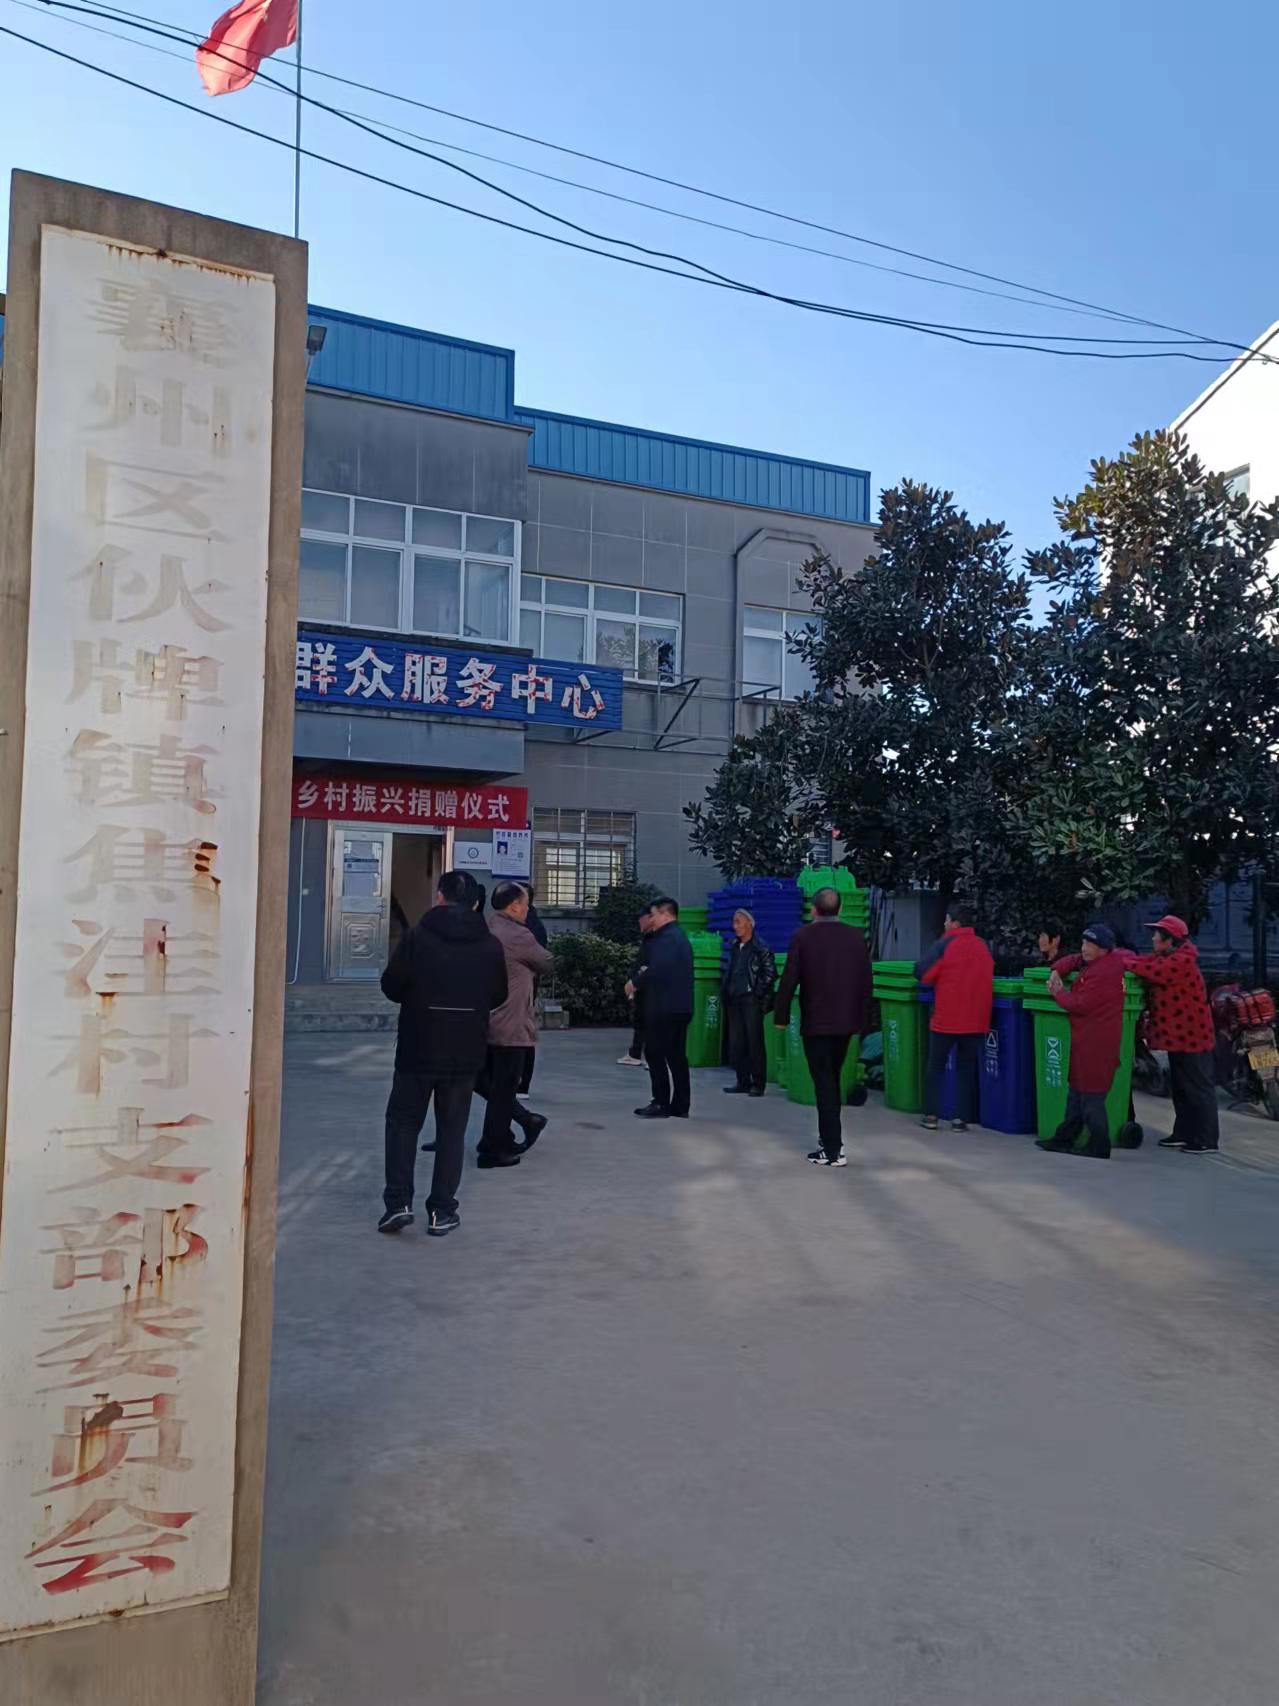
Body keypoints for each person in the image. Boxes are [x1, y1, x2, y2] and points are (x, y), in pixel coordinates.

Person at [378, 869, 508, 1237]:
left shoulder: (417, 938)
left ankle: (398, 1204)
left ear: (439, 896)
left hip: (418, 1046)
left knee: (403, 1124)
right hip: (465, 1050)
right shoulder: (490, 945)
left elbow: (391, 986)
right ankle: (442, 1211)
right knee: (452, 1130)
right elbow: (498, 994)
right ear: (477, 903)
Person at [774, 887, 871, 1165]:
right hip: (846, 1023)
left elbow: (789, 980)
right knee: (832, 1078)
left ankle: (832, 1149)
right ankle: (829, 1140)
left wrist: (781, 1016)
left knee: (824, 1083)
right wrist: (863, 1020)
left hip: (816, 1023)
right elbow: (866, 981)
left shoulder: (803, 937)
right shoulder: (855, 937)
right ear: (840, 909)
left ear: (813, 910)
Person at [475, 881, 554, 1169]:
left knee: (486, 1082)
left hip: (485, 1021)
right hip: (511, 1024)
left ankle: (502, 1134)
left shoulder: (486, 928)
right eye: (526, 904)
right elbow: (548, 964)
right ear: (515, 906)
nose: (528, 910)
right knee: (504, 1089)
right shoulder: (519, 935)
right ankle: (495, 1149)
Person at [1127, 914, 1219, 1154]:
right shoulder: (1167, 958)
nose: (1152, 938)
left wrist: (1123, 961)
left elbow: (1151, 969)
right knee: (1181, 1087)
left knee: (1198, 1088)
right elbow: (1147, 963)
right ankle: (1184, 1133)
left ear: (1169, 940)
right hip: (1180, 1038)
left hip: (1193, 1037)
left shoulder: (1181, 962)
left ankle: (1207, 1139)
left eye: (1157, 935)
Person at [1036, 923, 1126, 1161]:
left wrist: (1057, 992)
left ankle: (1099, 1145)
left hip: (1096, 1043)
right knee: (1076, 1092)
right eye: (1084, 942)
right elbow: (1075, 959)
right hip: (1086, 1039)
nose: (1084, 948)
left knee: (1091, 1097)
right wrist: (1057, 970)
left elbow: (1079, 1004)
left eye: (1089, 944)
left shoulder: (1104, 973)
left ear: (1103, 949)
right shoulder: (1101, 961)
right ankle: (1064, 1138)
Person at [915, 903, 994, 1132]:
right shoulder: (983, 946)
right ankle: (961, 1119)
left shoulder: (945, 944)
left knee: (936, 1066)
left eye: (947, 919)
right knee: (966, 1068)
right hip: (976, 1020)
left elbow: (923, 973)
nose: (945, 923)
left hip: (946, 1019)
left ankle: (931, 1115)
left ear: (955, 923)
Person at [633, 898, 693, 1119]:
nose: (653, 919)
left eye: (655, 915)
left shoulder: (667, 938)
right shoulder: (678, 936)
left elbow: (657, 969)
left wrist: (635, 982)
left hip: (665, 1007)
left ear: (666, 914)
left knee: (655, 1053)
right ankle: (680, 1105)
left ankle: (661, 1102)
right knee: (676, 1056)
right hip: (679, 1006)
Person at [722, 909, 775, 1096]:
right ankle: (742, 1081)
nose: (735, 926)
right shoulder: (735, 946)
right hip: (735, 999)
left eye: (738, 922)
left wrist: (756, 994)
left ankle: (758, 1083)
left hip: (751, 1000)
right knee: (737, 1043)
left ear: (750, 925)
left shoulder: (761, 947)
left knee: (754, 1043)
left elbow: (769, 974)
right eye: (734, 922)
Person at [518, 883, 549, 1096]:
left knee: (521, 1034)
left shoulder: (530, 926)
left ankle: (522, 1083)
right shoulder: (524, 923)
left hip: (523, 988)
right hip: (522, 987)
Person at [620, 905, 655, 1067]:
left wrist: (638, 980)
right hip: (640, 983)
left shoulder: (658, 938)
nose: (639, 923)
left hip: (650, 985)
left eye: (641, 919)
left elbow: (652, 964)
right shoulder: (648, 937)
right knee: (640, 1019)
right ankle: (635, 1053)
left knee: (650, 1020)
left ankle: (652, 1057)